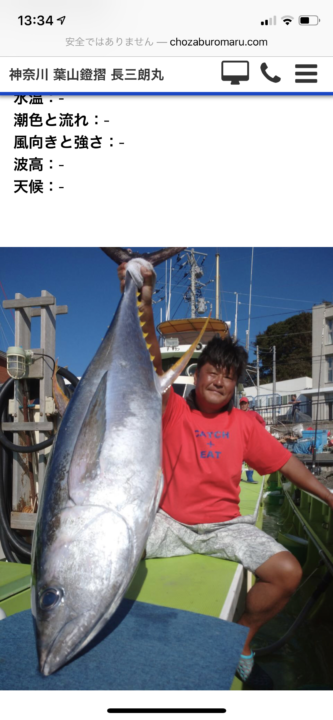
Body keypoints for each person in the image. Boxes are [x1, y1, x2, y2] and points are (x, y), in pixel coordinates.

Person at [118, 262, 333, 686]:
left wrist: (329, 496)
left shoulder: (245, 425)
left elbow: (287, 464)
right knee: (112, 551)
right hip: (168, 523)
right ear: (195, 375)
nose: (219, 380)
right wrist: (142, 297)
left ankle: (242, 639)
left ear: (235, 385)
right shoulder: (173, 410)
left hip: (225, 527)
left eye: (228, 376)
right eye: (212, 371)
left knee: (287, 573)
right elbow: (149, 358)